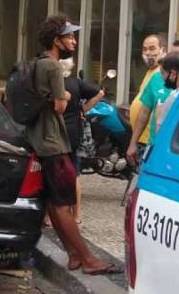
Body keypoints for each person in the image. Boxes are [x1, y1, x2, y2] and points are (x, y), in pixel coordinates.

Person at [25, 15, 118, 275]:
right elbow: (60, 105)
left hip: (40, 140)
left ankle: (74, 255)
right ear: (57, 41)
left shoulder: (36, 64)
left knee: (54, 203)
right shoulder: (53, 67)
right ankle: (88, 259)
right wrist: (65, 94)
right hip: (55, 143)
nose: (73, 40)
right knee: (64, 203)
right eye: (69, 36)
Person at [126, 53, 179, 166]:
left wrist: (159, 116)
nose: (162, 77)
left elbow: (160, 132)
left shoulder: (173, 98)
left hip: (164, 154)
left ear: (173, 74)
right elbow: (144, 111)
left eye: (163, 73)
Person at [60, 57, 103, 224]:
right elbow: (99, 93)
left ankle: (50, 215)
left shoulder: (54, 83)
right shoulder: (76, 82)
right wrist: (83, 109)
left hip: (56, 132)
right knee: (74, 172)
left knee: (55, 171)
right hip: (74, 132)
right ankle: (76, 214)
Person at [128, 33, 167, 153]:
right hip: (142, 138)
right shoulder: (151, 71)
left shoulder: (163, 74)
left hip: (150, 140)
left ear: (163, 50)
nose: (148, 53)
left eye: (152, 48)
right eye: (145, 49)